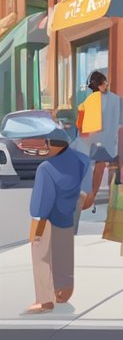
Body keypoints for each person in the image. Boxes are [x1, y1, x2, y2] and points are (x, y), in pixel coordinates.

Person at [25, 126, 88, 314]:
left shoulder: (46, 168)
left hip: (48, 219)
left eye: (47, 143)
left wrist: (36, 221)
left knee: (42, 256)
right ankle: (64, 291)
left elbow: (42, 200)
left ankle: (45, 301)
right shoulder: (79, 160)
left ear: (53, 144)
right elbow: (85, 181)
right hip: (67, 215)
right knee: (64, 254)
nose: (45, 146)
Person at [79, 71, 123, 212]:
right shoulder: (115, 99)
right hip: (113, 142)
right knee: (106, 163)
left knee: (101, 163)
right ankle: (105, 197)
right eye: (105, 82)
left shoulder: (88, 101)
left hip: (96, 141)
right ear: (102, 85)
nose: (107, 84)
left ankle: (92, 195)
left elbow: (81, 124)